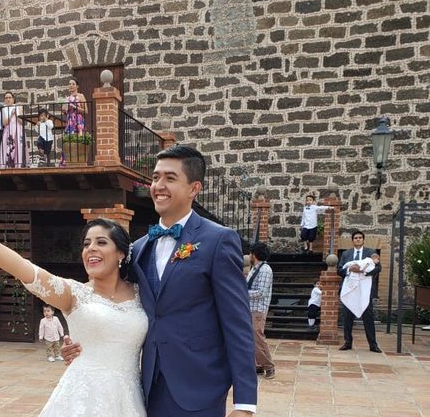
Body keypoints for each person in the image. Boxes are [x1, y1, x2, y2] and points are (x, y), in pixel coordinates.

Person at [64, 145, 257, 417]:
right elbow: (111, 297)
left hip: (200, 386)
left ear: (194, 188)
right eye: (155, 177)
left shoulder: (218, 240)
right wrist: (83, 340)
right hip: (147, 388)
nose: (158, 185)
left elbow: (238, 323)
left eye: (170, 178)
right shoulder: (139, 248)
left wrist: (245, 404)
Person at [0, 212, 148, 416]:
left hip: (130, 397)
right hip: (83, 397)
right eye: (86, 244)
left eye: (101, 242)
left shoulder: (143, 293)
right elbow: (22, 268)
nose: (91, 248)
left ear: (121, 252)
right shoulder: (72, 293)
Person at [337, 230, 382, 353]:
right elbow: (339, 269)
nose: (358, 239)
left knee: (368, 317)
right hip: (350, 290)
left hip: (365, 291)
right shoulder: (346, 254)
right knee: (347, 317)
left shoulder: (371, 252)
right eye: (355, 238)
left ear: (363, 240)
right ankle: (347, 342)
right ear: (352, 240)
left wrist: (364, 271)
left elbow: (378, 268)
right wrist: (350, 269)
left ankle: (373, 345)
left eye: (360, 238)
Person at [246, 241, 275, 379]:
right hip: (251, 308)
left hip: (258, 309)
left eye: (250, 253)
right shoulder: (255, 268)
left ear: (255, 254)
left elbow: (261, 292)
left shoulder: (265, 270)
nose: (249, 255)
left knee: (257, 338)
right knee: (252, 338)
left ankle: (269, 366)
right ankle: (258, 365)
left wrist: (242, 292)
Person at [0, 91, 25, 168]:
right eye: (6, 98)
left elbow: (22, 122)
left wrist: (17, 114)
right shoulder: (4, 109)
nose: (8, 99)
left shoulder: (19, 107)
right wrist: (11, 115)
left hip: (17, 130)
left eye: (10, 97)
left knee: (18, 147)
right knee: (7, 148)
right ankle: (7, 165)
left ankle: (18, 165)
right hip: (8, 131)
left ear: (13, 99)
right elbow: (4, 123)